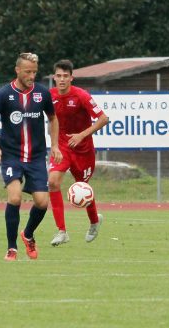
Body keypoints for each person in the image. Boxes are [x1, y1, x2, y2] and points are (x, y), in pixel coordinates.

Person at [0, 52, 63, 261]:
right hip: (11, 156)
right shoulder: (3, 94)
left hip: (35, 157)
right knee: (15, 197)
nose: (31, 76)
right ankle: (11, 248)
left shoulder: (42, 94)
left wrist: (54, 145)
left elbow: (53, 119)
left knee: (42, 202)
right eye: (28, 72)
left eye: (34, 72)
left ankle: (27, 234)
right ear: (17, 70)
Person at [48, 59, 109, 246]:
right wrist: (54, 145)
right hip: (61, 148)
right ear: (54, 78)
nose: (62, 79)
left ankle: (94, 222)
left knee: (83, 189)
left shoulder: (81, 95)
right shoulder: (48, 96)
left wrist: (82, 135)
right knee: (52, 182)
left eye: (65, 76)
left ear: (71, 77)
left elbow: (103, 119)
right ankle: (62, 231)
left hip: (83, 149)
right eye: (58, 76)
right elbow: (50, 122)